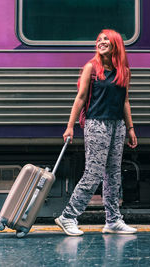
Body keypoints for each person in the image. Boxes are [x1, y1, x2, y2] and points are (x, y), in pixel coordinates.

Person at [55, 29, 138, 236]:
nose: (101, 42)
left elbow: (125, 101)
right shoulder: (91, 68)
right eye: (99, 40)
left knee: (113, 175)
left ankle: (112, 220)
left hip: (117, 125)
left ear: (116, 45)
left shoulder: (124, 71)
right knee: (93, 174)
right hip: (96, 124)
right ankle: (68, 216)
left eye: (106, 40)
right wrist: (70, 126)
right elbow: (81, 98)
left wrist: (130, 128)